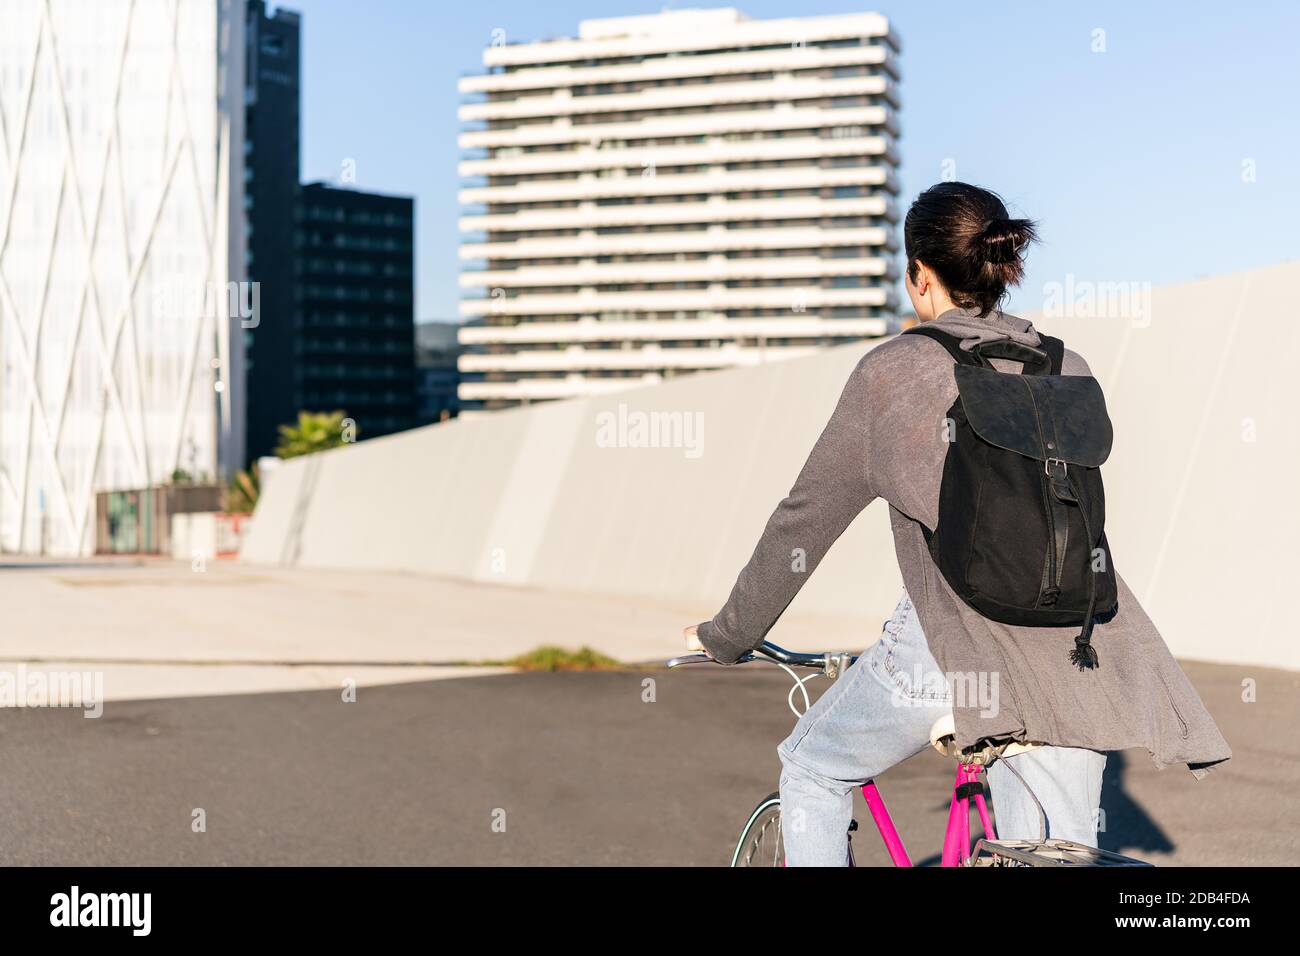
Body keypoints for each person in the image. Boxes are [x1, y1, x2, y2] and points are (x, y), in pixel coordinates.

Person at [685, 182, 1231, 867]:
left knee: (811, 768)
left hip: (946, 649)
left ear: (920, 274)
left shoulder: (893, 373)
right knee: (1062, 853)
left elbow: (804, 521)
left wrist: (728, 634)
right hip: (1077, 655)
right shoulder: (1068, 369)